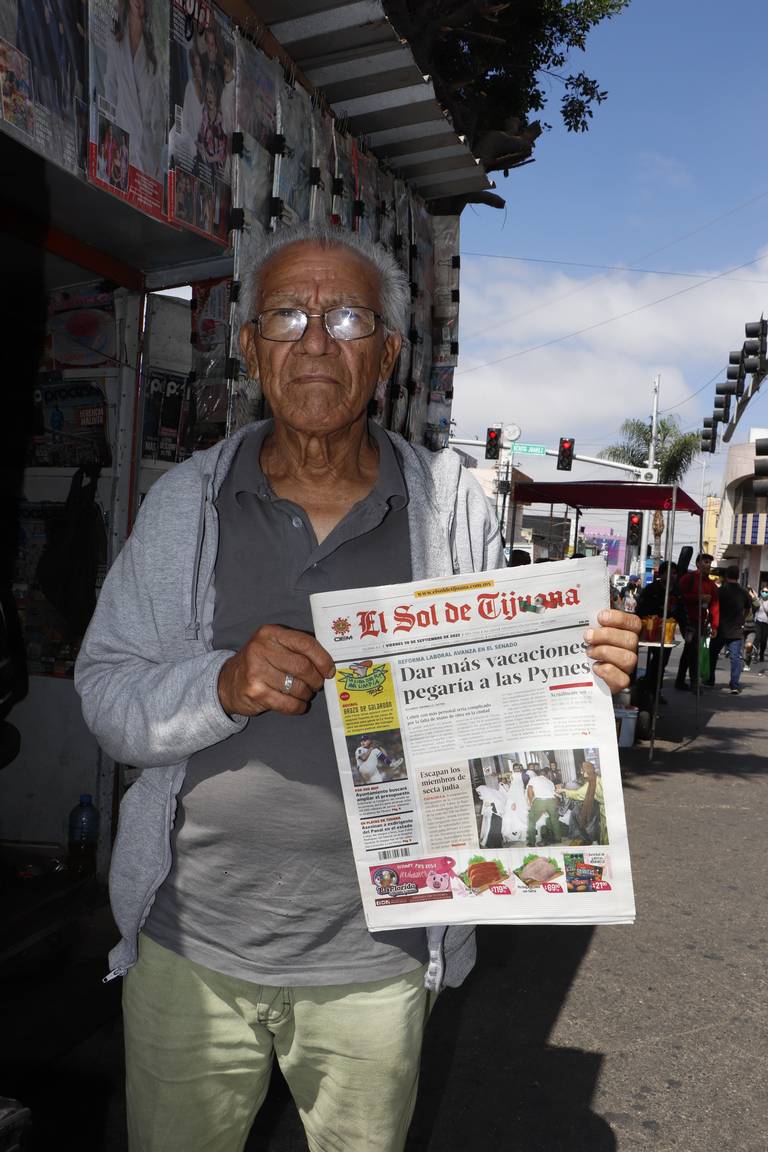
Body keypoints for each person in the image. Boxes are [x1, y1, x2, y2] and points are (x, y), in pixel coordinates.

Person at [74, 223, 639, 1152]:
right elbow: (105, 696)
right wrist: (222, 683)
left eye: (345, 317)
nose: (314, 341)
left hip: (377, 959)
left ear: (387, 356)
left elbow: (498, 722)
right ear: (251, 346)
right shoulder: (187, 502)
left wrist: (575, 682)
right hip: (189, 948)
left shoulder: (452, 512)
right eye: (287, 316)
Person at [102, 0, 165, 181]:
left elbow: (159, 106)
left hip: (148, 153)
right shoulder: (115, 34)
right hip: (122, 140)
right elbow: (111, 86)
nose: (139, 1)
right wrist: (111, 132)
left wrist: (156, 146)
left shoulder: (153, 47)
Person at [634, 561, 688, 704]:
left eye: (675, 573)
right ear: (662, 574)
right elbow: (640, 609)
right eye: (669, 573)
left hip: (667, 633)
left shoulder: (677, 592)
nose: (672, 576)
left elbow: (682, 613)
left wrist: (686, 630)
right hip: (649, 630)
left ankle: (654, 690)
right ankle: (645, 687)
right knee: (650, 660)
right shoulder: (652, 589)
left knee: (661, 662)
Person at [674, 552, 719, 692]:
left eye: (709, 563)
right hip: (688, 621)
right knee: (693, 651)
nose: (708, 565)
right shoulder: (689, 579)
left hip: (701, 623)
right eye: (705, 562)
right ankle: (694, 683)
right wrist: (698, 598)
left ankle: (680, 680)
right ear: (698, 563)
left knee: (689, 651)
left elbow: (715, 606)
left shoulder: (712, 585)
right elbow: (678, 597)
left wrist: (715, 625)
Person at [706, 566, 752, 693]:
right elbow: (748, 609)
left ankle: (710, 680)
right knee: (735, 659)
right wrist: (742, 618)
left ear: (726, 576)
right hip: (736, 630)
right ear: (738, 576)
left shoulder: (720, 591)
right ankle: (734, 685)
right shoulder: (744, 592)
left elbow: (713, 608)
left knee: (713, 655)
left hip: (720, 629)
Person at [557, 761, 607, 844]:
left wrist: (563, 790)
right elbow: (579, 793)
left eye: (582, 770)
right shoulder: (594, 780)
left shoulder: (595, 781)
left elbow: (578, 794)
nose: (581, 772)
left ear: (587, 771)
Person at [526, 765, 562, 847]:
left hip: (540, 801)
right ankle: (558, 838)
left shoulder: (533, 779)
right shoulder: (550, 782)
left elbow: (530, 791)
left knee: (531, 820)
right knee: (554, 820)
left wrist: (531, 802)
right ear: (546, 775)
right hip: (552, 801)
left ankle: (531, 842)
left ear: (538, 774)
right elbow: (555, 795)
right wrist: (556, 806)